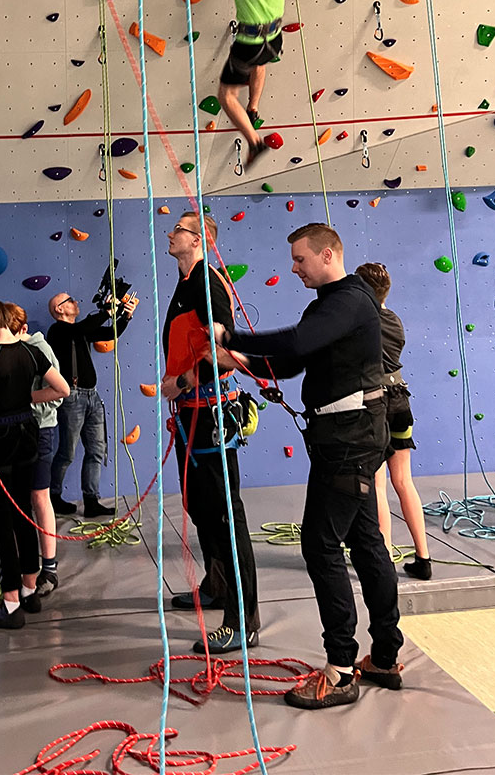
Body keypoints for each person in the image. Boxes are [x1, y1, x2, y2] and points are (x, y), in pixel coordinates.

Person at [216, 223, 403, 707]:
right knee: (365, 542)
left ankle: (341, 669)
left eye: (300, 259)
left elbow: (297, 344)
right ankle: (383, 656)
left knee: (320, 544)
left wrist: (232, 334)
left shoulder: (350, 299)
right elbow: (298, 363)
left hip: (349, 439)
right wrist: (241, 360)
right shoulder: (329, 305)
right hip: (345, 435)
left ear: (327, 255)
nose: (293, 268)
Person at [160, 210, 260, 655]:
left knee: (224, 515)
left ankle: (243, 620)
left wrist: (179, 383)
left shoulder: (208, 280)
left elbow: (226, 349)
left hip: (209, 414)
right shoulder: (186, 284)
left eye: (178, 228)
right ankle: (218, 585)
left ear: (197, 239)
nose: (170, 233)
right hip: (189, 416)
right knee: (199, 507)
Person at [0, 298, 68, 631]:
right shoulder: (32, 352)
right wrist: (27, 399)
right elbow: (62, 388)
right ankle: (29, 589)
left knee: (2, 520)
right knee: (24, 513)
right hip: (28, 437)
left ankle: (10, 604)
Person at [187, 0, 298, 165]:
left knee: (225, 95)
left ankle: (255, 142)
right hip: (274, 39)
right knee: (261, 65)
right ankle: (253, 106)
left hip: (249, 42)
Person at [355, 264, 431, 580]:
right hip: (401, 402)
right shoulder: (395, 321)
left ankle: (382, 557)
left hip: (377, 406)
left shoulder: (362, 323)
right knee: (404, 481)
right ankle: (424, 557)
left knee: (378, 484)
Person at [48, 286, 137, 518]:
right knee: (67, 452)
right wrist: (108, 311)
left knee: (96, 450)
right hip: (73, 397)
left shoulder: (80, 330)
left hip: (92, 396)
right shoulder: (57, 331)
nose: (76, 302)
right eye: (71, 300)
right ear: (60, 309)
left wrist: (125, 315)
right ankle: (53, 498)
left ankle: (91, 501)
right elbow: (84, 328)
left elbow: (109, 334)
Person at [4, 302, 70, 596]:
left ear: (23, 330)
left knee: (39, 496)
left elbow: (59, 393)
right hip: (19, 431)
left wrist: (23, 398)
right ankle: (24, 568)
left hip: (40, 430)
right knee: (21, 499)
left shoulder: (38, 350)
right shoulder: (12, 352)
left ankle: (50, 568)